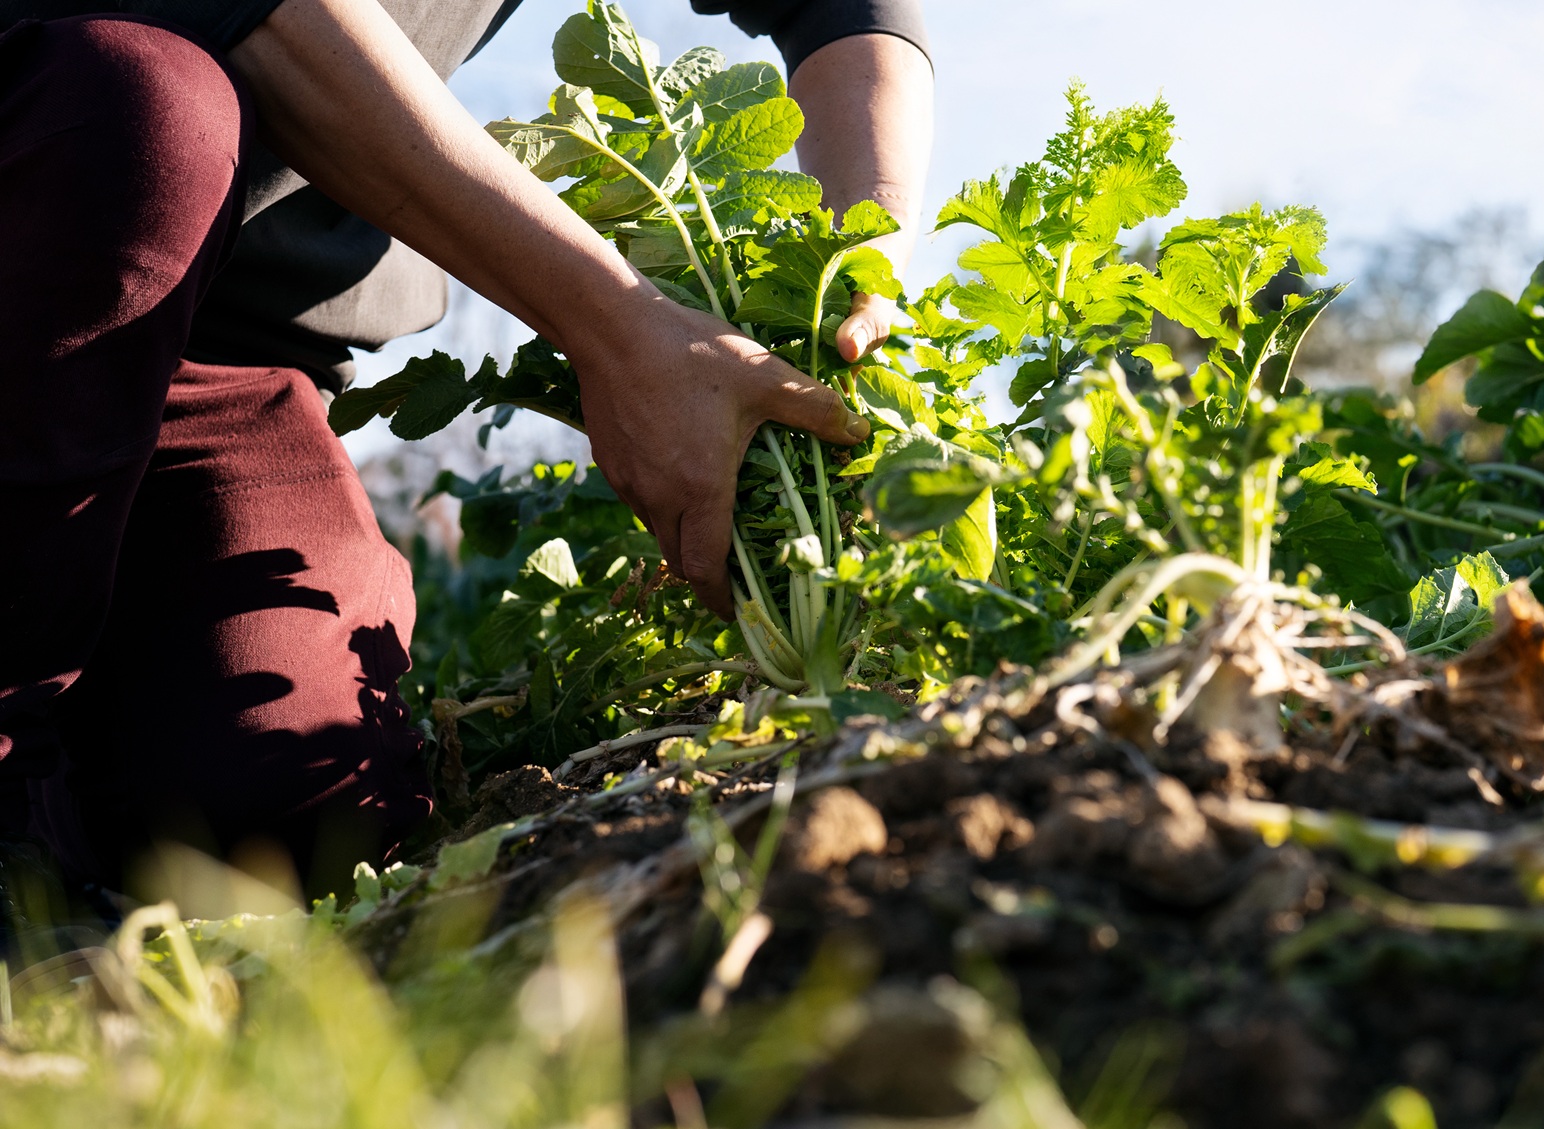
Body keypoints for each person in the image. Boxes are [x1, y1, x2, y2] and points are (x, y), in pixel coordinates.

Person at [0, 0, 933, 927]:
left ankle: (51, 812)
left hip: (220, 345)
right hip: (33, 206)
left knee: (290, 817)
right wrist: (617, 330)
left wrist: (866, 257)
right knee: (140, 105)